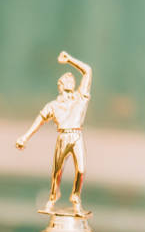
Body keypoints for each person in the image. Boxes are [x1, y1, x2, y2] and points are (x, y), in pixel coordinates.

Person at [16, 51, 92, 214]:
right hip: (63, 137)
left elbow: (87, 71)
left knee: (81, 170)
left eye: (72, 79)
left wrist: (69, 60)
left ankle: (76, 198)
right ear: (61, 85)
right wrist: (25, 137)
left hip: (77, 136)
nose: (71, 80)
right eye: (67, 79)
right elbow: (39, 120)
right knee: (57, 172)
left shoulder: (81, 98)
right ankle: (52, 197)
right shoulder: (53, 105)